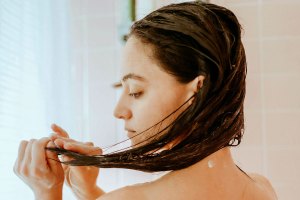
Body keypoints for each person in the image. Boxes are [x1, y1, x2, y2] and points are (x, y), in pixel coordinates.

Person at [13, 1, 277, 199]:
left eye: (135, 91)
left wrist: (47, 192)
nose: (119, 111)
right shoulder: (262, 189)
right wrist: (91, 191)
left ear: (197, 90)